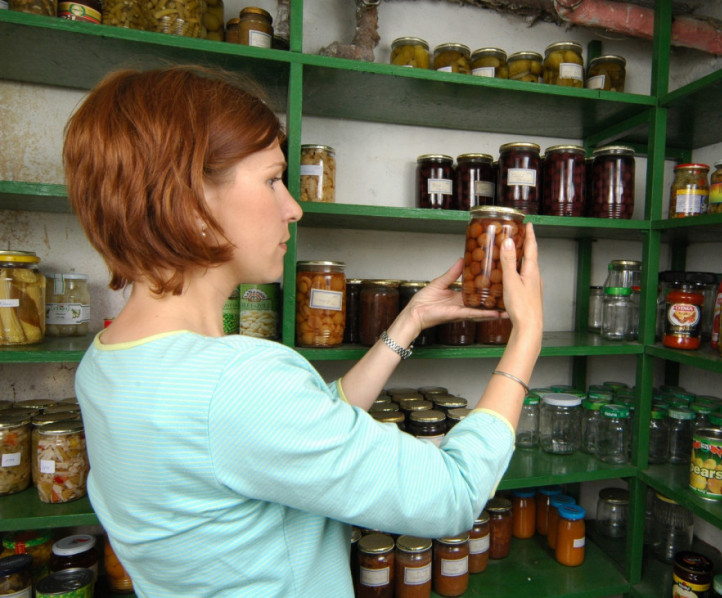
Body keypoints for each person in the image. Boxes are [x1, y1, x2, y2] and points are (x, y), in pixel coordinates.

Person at [63, 66, 543, 597]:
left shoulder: (106, 361)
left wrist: (411, 320)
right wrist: (526, 339)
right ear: (191, 202)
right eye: (272, 179)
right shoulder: (239, 383)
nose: (294, 207)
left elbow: (298, 427)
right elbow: (453, 493)